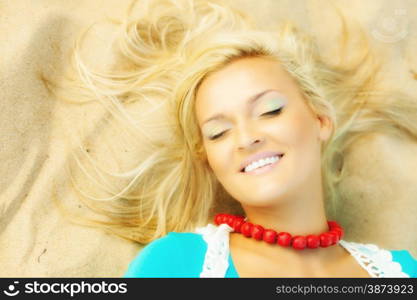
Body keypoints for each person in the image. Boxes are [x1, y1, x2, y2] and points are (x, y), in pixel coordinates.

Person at [52, 0, 417, 277]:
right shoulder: (179, 264)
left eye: (270, 110)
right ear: (208, 158)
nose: (246, 137)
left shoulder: (400, 270)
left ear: (320, 120)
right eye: (219, 132)